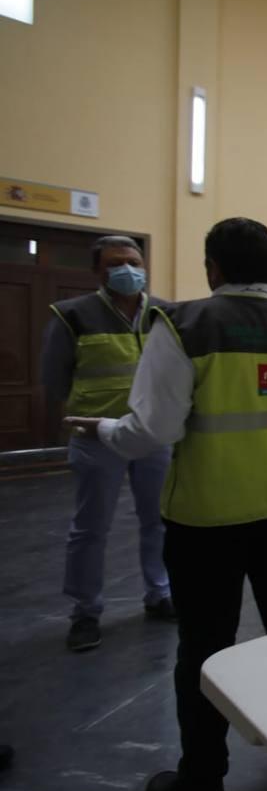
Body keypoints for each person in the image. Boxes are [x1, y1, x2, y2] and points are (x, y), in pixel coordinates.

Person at [66, 217, 267, 791]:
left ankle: (202, 783)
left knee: (205, 649)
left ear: (214, 269)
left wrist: (100, 428)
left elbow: (153, 430)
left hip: (208, 520)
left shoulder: (182, 325)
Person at [40, 235, 175, 652]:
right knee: (90, 527)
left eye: (133, 261)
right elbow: (55, 379)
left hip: (151, 435)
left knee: (159, 520)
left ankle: (160, 593)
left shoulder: (165, 314)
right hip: (96, 436)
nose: (128, 270)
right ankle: (85, 611)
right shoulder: (72, 315)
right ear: (98, 271)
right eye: (116, 263)